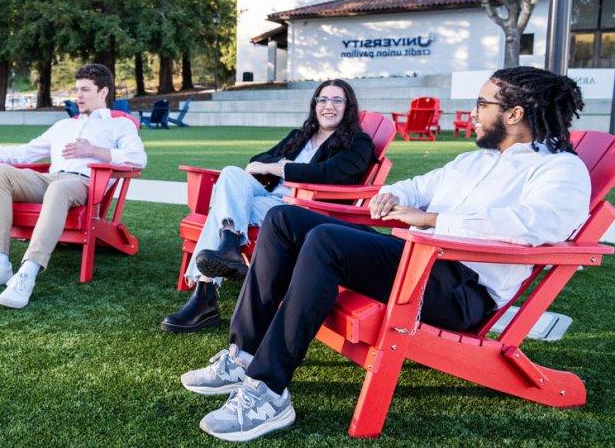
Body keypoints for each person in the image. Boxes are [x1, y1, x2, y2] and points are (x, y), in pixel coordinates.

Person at [180, 66, 590, 442]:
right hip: (417, 261)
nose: (475, 112)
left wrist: (431, 219)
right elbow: (417, 185)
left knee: (325, 240)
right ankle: (243, 354)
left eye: (483, 104)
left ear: (515, 113)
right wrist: (394, 194)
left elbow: (536, 225)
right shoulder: (475, 161)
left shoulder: (560, 170)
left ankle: (268, 391)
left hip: (461, 289)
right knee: (285, 219)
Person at [161, 79, 374, 333]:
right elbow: (256, 160)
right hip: (269, 199)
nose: (329, 106)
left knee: (224, 206)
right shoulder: (301, 135)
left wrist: (278, 168)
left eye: (337, 100)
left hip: (300, 210)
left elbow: (330, 173)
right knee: (230, 173)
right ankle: (229, 244)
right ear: (315, 105)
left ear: (348, 107)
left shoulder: (358, 142)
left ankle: (204, 295)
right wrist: (272, 165)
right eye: (323, 100)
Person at [0, 64, 146, 309]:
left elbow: (138, 158)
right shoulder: (64, 126)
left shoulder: (119, 125)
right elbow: (26, 152)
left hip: (84, 183)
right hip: (51, 179)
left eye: (85, 90)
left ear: (104, 92)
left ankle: (28, 272)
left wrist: (92, 151)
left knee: (58, 190)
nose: (78, 95)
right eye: (77, 89)